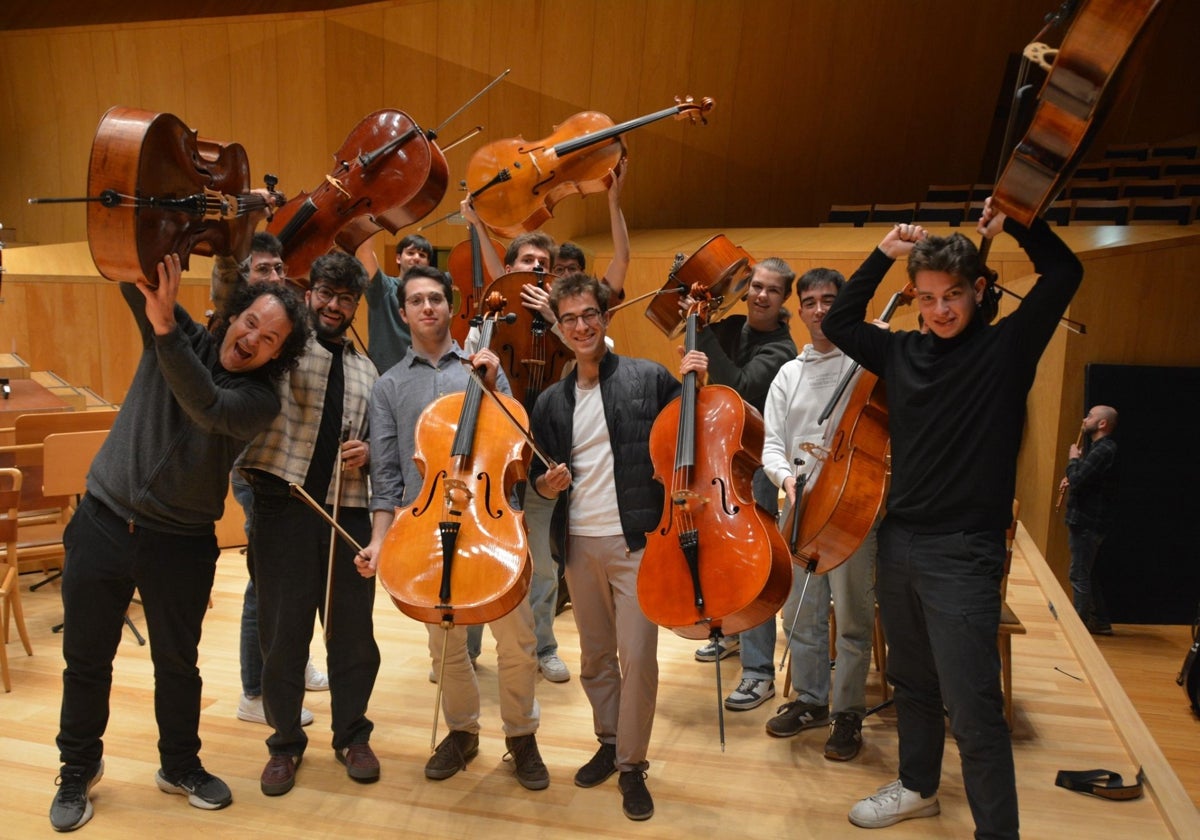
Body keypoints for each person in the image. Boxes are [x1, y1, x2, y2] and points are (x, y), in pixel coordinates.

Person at [822, 201, 1082, 838]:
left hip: (963, 552)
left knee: (973, 710)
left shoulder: (1009, 349)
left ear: (979, 291)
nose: (941, 309)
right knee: (911, 680)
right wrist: (883, 252)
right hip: (900, 541)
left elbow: (1065, 272)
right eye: (929, 297)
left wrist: (1017, 222)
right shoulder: (903, 352)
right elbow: (840, 320)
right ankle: (918, 786)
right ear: (915, 298)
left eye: (954, 295)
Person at [50, 255, 310, 833]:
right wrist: (152, 232)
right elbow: (124, 268)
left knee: (177, 665)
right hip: (102, 522)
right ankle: (77, 767)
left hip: (181, 544)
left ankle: (179, 765)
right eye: (250, 324)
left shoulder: (259, 400)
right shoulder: (180, 329)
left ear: (277, 356)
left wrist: (164, 329)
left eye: (269, 340)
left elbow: (206, 405)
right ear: (235, 314)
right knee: (86, 660)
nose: (252, 341)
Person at [357, 264, 549, 791]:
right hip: (427, 527)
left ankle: (521, 735)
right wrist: (382, 538)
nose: (426, 308)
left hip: (490, 525)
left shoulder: (484, 367)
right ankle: (462, 732)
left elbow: (515, 445)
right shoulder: (389, 386)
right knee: (445, 648)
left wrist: (488, 385)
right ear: (404, 313)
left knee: (517, 641)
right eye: (416, 300)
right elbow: (389, 474)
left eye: (436, 299)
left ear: (451, 306)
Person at [457, 160, 631, 684]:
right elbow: (468, 382)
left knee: (541, 560)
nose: (535, 269)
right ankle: (465, 648)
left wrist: (556, 322)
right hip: (489, 461)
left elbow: (600, 357)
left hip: (542, 460)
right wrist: (475, 224)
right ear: (509, 269)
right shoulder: (486, 323)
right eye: (526, 261)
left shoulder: (570, 324)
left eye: (544, 263)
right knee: (474, 554)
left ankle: (544, 646)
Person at [528, 272, 682, 821]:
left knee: (637, 656)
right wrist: (546, 486)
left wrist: (697, 375)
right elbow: (537, 476)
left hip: (637, 541)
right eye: (569, 318)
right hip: (577, 544)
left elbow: (686, 434)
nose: (581, 325)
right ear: (560, 328)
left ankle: (633, 766)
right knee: (595, 658)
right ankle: (612, 741)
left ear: (605, 317)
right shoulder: (550, 400)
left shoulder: (648, 378)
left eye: (589, 314)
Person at [236, 251, 382, 796]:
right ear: (310, 291)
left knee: (353, 634)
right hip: (284, 506)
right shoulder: (284, 350)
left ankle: (352, 734)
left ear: (355, 307)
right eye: (325, 292)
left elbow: (380, 443)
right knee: (283, 635)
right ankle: (284, 743)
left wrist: (367, 450)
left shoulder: (370, 371)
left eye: (345, 299)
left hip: (347, 512)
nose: (333, 305)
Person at [758, 267, 878, 761]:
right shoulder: (790, 373)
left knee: (851, 618)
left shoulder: (867, 364)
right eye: (811, 302)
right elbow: (771, 445)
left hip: (853, 506)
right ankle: (811, 699)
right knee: (799, 612)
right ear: (800, 309)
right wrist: (787, 481)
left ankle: (847, 711)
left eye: (831, 300)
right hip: (802, 505)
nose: (821, 310)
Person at [210, 231, 327, 730]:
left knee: (285, 581)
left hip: (287, 473)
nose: (275, 278)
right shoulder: (233, 325)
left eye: (280, 270)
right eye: (263, 271)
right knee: (264, 584)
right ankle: (254, 691)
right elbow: (222, 282)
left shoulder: (285, 332)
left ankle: (289, 663)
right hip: (256, 471)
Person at [676, 258, 798, 712]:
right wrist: (692, 309)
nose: (760, 296)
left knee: (754, 564)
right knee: (721, 555)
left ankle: (759, 671)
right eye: (755, 287)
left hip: (755, 469)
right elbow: (685, 337)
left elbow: (739, 385)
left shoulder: (781, 349)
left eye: (771, 290)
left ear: (784, 300)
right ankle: (731, 635)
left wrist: (705, 339)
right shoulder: (729, 327)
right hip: (719, 463)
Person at [1061, 404, 1119, 635]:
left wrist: (1073, 460)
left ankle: (1078, 628)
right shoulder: (1099, 449)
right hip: (1088, 521)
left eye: (1091, 416)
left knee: (1078, 575)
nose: (1085, 419)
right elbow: (1084, 481)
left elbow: (1078, 480)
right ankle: (1101, 622)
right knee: (1088, 572)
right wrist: (1075, 472)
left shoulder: (1104, 449)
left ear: (1102, 424)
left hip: (1087, 522)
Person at [353, 231, 436, 374]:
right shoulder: (384, 288)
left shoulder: (434, 297)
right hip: (385, 376)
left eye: (422, 255)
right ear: (398, 258)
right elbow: (364, 251)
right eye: (410, 253)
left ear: (428, 264)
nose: (416, 258)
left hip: (423, 375)